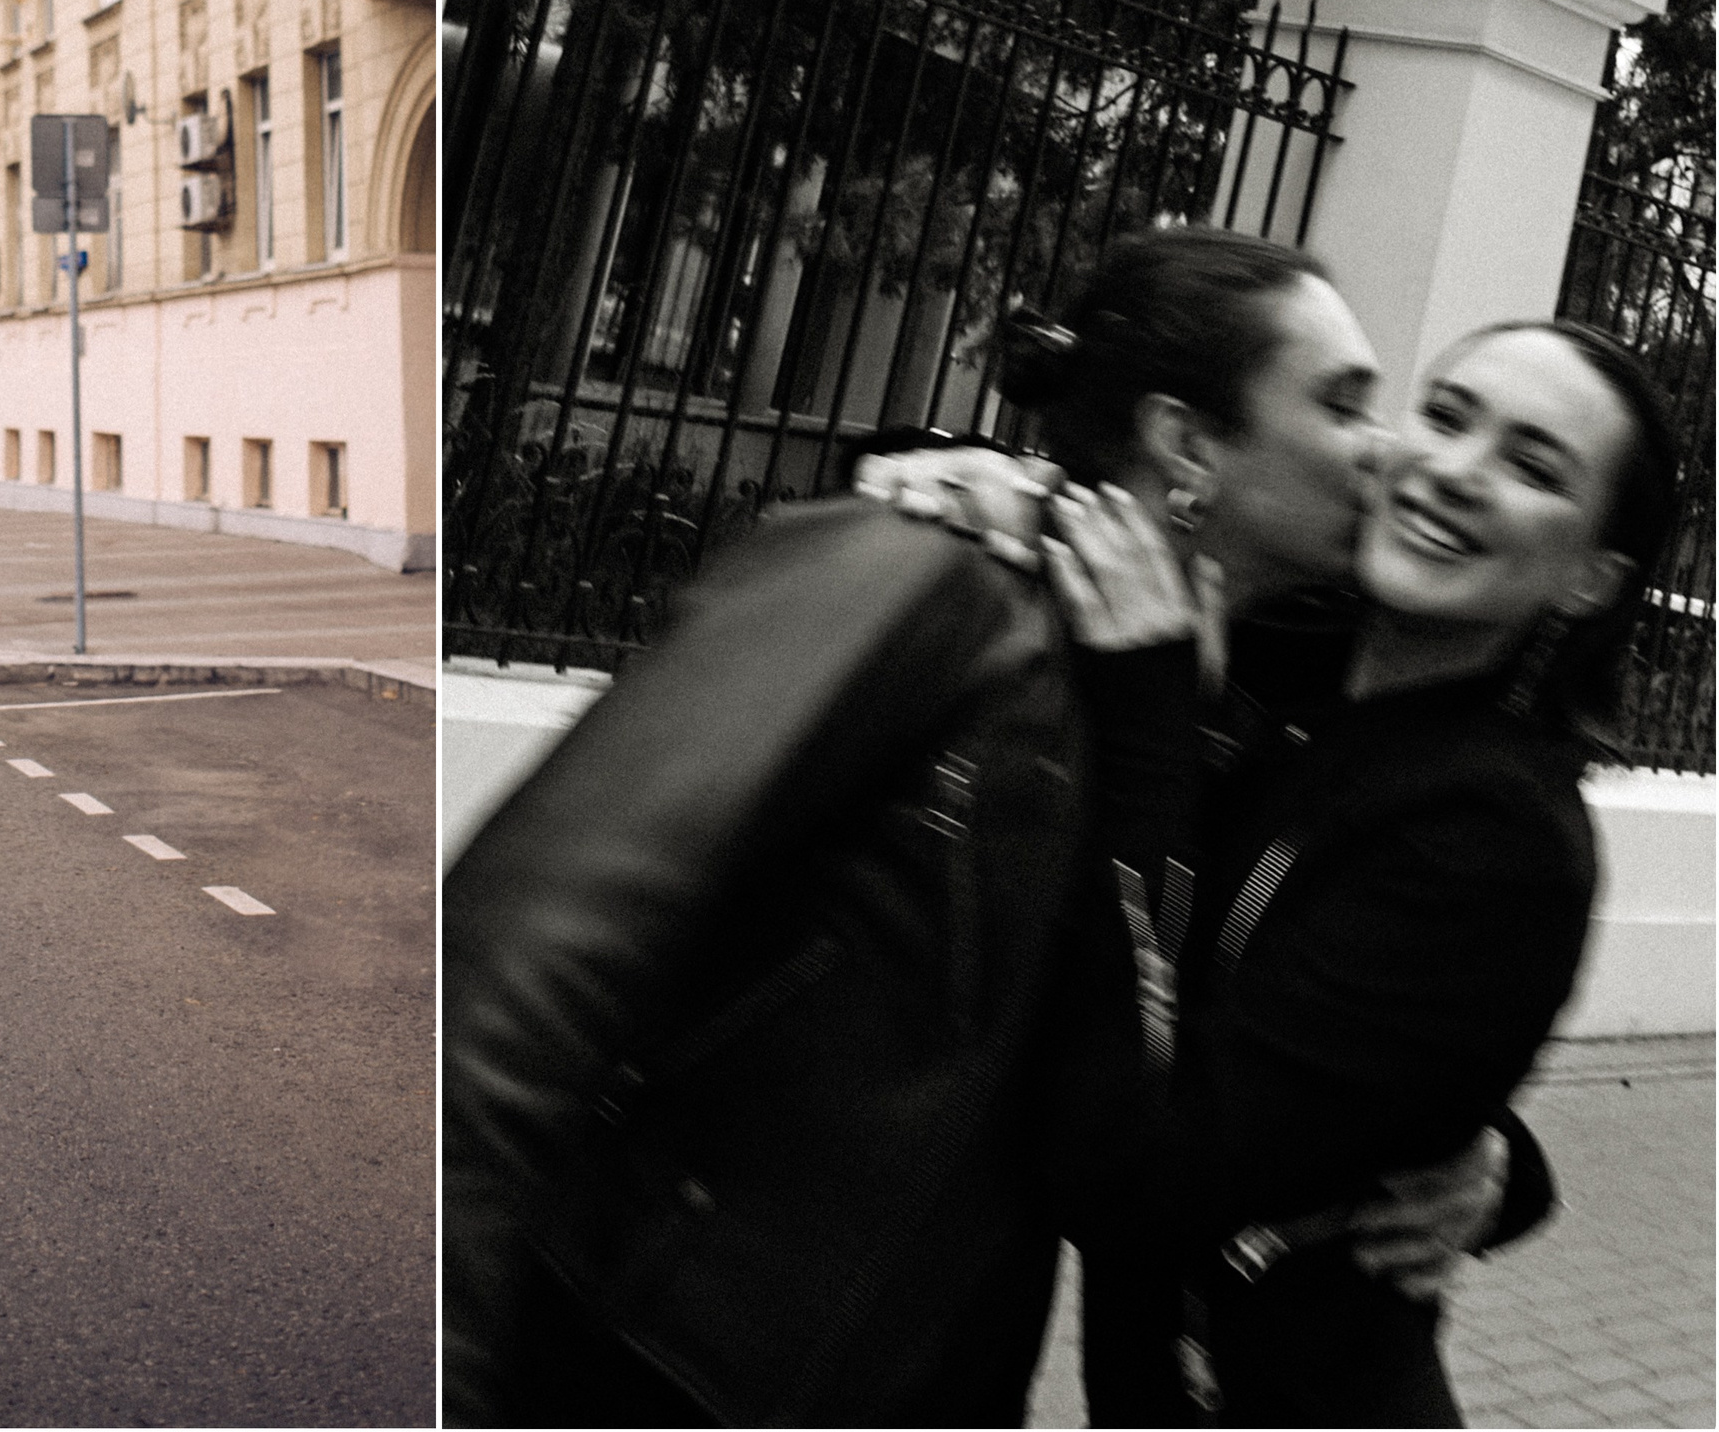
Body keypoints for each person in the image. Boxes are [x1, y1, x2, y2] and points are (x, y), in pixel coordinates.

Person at [444, 229, 1530, 1429]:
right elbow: (520, 964)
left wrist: (1476, 1144)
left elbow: (1256, 1016)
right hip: (655, 1361)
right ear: (1187, 444)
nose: (1389, 450)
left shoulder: (1214, 708)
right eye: (1342, 403)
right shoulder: (923, 573)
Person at [1019, 314, 1677, 1427]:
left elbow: (1144, 1180)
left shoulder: (1496, 835)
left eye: (1531, 467)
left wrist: (1149, 733)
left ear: (1587, 580)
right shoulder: (1287, 673)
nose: (1456, 470)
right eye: (1446, 416)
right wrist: (972, 483)